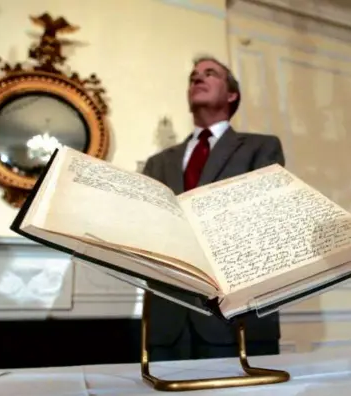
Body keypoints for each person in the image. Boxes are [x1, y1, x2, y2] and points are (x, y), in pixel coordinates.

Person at [141, 55, 285, 361]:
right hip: (168, 320)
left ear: (232, 94)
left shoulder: (261, 147)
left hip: (236, 318)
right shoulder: (157, 163)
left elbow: (265, 217)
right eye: (193, 76)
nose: (197, 78)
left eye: (210, 73)